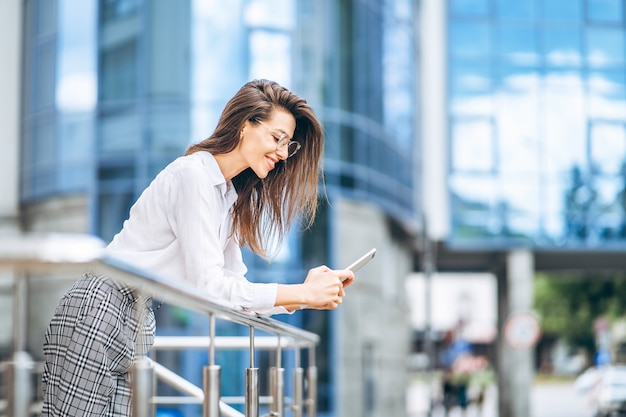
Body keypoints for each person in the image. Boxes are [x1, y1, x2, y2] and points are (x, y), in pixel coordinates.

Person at [42, 79, 355, 416]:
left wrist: (304, 294)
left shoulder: (227, 198)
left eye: (288, 145)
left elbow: (236, 293)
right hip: (102, 307)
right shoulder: (193, 177)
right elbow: (210, 288)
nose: (282, 153)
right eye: (277, 138)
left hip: (138, 316)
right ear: (245, 125)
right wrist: (300, 293)